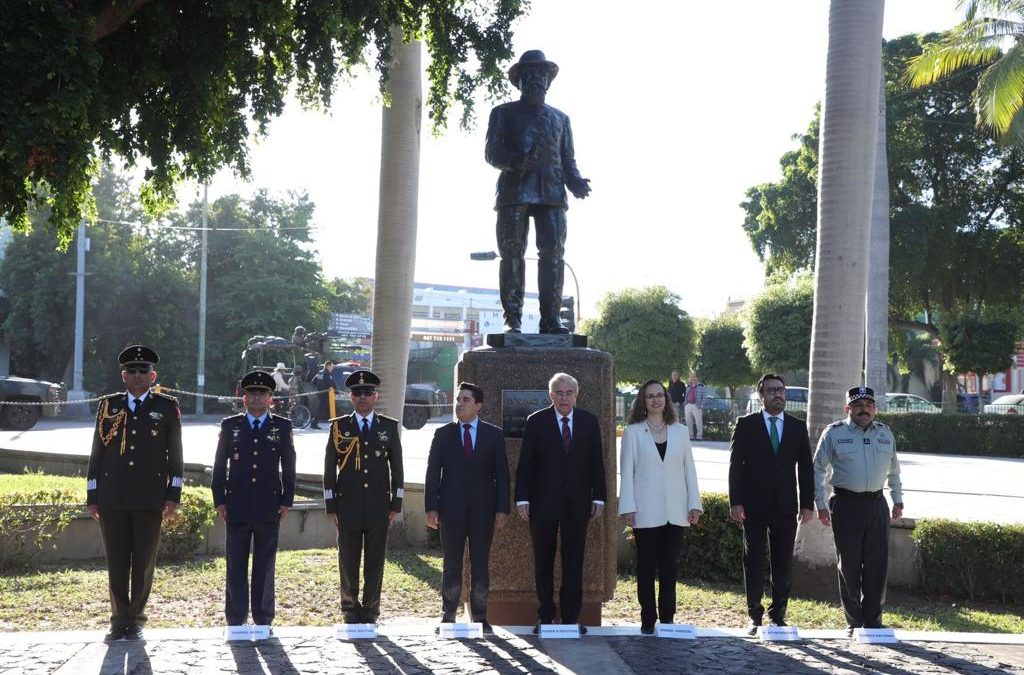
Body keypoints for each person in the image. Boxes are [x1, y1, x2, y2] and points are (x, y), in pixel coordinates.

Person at [485, 50, 591, 334]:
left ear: (548, 82)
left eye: (541, 76)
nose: (536, 81)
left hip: (552, 195)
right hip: (514, 193)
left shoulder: (561, 119)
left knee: (554, 256)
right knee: (512, 254)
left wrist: (577, 182)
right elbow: (492, 152)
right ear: (519, 81)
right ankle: (513, 319)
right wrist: (515, 161)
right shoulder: (503, 114)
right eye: (530, 76)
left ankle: (551, 320)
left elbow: (568, 160)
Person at [86, 345, 184, 642]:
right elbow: (97, 453)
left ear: (153, 376)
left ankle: (136, 619)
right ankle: (118, 621)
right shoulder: (108, 406)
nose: (138, 376)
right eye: (132, 371)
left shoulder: (167, 407)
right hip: (112, 496)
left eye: (144, 371)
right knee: (116, 561)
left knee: (143, 562)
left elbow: (175, 454)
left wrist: (173, 494)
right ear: (123, 376)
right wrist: (93, 494)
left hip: (149, 497)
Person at [515, 372, 606, 634]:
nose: (564, 398)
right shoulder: (536, 421)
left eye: (569, 393)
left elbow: (596, 464)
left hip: (578, 505)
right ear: (550, 395)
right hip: (542, 504)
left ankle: (569, 620)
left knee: (574, 562)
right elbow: (525, 465)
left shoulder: (589, 422)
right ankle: (545, 617)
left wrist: (599, 496)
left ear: (577, 395)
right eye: (559, 393)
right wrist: (522, 498)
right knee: (543, 561)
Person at [814, 386, 904, 637]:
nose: (864, 409)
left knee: (877, 565)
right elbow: (817, 470)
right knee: (849, 564)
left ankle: (873, 622)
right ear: (848, 409)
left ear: (874, 409)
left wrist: (897, 500)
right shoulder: (834, 433)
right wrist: (820, 504)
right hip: (846, 504)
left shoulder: (885, 434)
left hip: (876, 504)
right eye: (858, 405)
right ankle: (854, 621)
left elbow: (894, 471)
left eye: (868, 405)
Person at [728, 374, 814, 636]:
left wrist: (807, 504)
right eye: (772, 391)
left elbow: (806, 469)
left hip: (786, 506)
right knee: (753, 560)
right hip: (753, 506)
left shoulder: (798, 427)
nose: (778, 395)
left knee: (782, 563)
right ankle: (754, 614)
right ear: (761, 395)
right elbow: (736, 467)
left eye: (781, 390)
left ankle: (778, 614)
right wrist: (736, 502)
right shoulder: (746, 425)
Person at [211, 370, 296, 629]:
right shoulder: (230, 426)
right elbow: (218, 465)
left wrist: (287, 500)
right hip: (236, 504)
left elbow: (289, 465)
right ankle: (236, 620)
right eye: (252, 394)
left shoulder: (281, 427)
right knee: (235, 564)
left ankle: (263, 619)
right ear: (243, 398)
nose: (257, 398)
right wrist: (219, 499)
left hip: (268, 506)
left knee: (265, 563)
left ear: (271, 399)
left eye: (263, 394)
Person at [424, 382, 510, 633]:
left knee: (480, 564)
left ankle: (481, 617)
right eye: (458, 399)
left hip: (484, 511)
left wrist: (502, 509)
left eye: (466, 400)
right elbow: (432, 474)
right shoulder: (443, 434)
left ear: (478, 405)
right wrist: (431, 507)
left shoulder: (494, 435)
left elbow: (502, 475)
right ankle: (448, 614)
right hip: (450, 511)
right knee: (452, 564)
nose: (459, 404)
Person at [618, 378, 702, 634]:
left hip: (675, 511)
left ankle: (667, 618)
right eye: (650, 396)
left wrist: (694, 504)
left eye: (660, 395)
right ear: (643, 402)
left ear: (666, 400)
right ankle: (647, 617)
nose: (656, 400)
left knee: (669, 567)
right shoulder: (632, 432)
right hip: (645, 511)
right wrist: (628, 508)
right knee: (646, 566)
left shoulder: (679, 431)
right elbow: (627, 473)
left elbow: (690, 471)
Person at [322, 369, 404, 624]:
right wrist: (330, 505)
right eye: (358, 393)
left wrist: (396, 503)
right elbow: (328, 469)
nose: (363, 397)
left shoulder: (388, 428)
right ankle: (349, 609)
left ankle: (370, 611)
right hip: (347, 506)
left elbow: (398, 470)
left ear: (375, 396)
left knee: (375, 562)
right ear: (350, 396)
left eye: (368, 392)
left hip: (379, 506)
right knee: (347, 561)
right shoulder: (339, 427)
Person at [309, 360, 335, 430]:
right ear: (328, 366)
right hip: (324, 394)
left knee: (322, 408)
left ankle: (315, 423)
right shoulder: (327, 373)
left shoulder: (320, 372)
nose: (332, 368)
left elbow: (313, 381)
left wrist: (318, 386)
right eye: (332, 366)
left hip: (320, 393)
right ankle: (314, 424)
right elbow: (330, 383)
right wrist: (336, 390)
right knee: (320, 409)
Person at [683, 372, 706, 441]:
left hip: (697, 406)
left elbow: (704, 396)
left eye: (694, 376)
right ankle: (691, 435)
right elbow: (686, 395)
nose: (693, 378)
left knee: (698, 421)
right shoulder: (688, 386)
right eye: (691, 377)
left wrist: (701, 405)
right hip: (688, 405)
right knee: (688, 421)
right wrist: (685, 403)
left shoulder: (701, 386)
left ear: (697, 377)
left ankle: (699, 436)